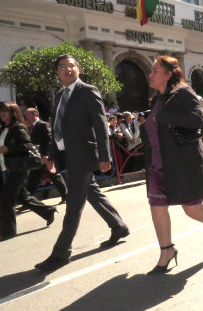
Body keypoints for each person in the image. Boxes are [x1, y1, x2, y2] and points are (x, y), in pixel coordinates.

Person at [35, 54, 129, 272]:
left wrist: (105, 157)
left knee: (73, 204)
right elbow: (56, 128)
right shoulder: (59, 95)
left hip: (84, 156)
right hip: (66, 155)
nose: (67, 69)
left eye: (71, 66)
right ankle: (119, 226)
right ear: (57, 72)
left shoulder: (88, 91)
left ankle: (61, 253)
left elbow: (100, 125)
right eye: (62, 67)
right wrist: (51, 156)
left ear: (78, 69)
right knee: (92, 192)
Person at [142, 56, 203, 275]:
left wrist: (164, 116)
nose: (150, 75)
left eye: (155, 71)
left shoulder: (183, 93)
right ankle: (166, 251)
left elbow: (197, 120)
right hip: (157, 164)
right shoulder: (158, 99)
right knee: (157, 207)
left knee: (192, 209)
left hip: (182, 164)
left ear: (168, 74)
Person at [0, 101, 57, 242]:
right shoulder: (4, 128)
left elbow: (27, 147)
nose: (2, 113)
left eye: (6, 110)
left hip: (19, 168)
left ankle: (7, 232)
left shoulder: (18, 128)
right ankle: (48, 211)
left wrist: (9, 149)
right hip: (9, 167)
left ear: (13, 113)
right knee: (22, 196)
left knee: (6, 199)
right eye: (1, 111)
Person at [24, 108, 67, 203]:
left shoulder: (43, 125)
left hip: (44, 157)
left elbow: (49, 140)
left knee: (54, 176)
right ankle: (28, 201)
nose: (26, 117)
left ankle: (65, 196)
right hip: (36, 158)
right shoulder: (30, 127)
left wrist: (47, 155)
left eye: (27, 115)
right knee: (33, 179)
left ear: (35, 114)